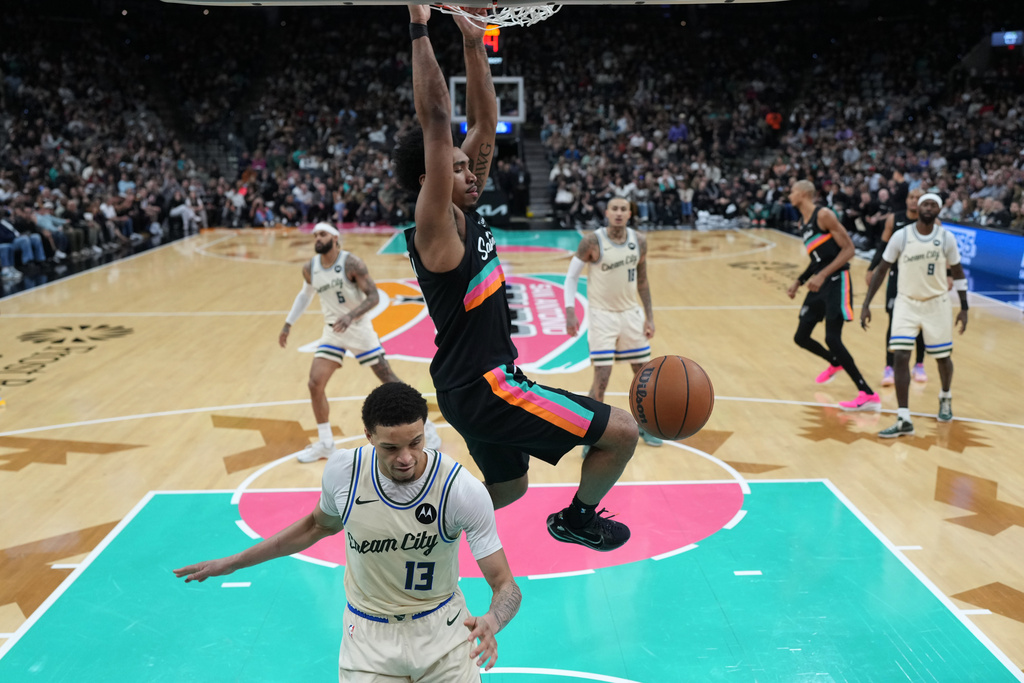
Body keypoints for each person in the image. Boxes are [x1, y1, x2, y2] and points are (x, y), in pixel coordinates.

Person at [393, 6, 638, 552]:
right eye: (454, 168)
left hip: (466, 386)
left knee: (507, 490)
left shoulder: (466, 208)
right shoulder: (436, 226)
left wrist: (474, 43)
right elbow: (437, 120)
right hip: (488, 386)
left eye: (466, 164)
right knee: (622, 432)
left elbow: (482, 121)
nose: (470, 170)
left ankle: (417, 535)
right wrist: (418, 24)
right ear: (428, 179)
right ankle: (578, 518)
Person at [174, 382, 520, 681]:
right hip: (368, 635)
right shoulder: (345, 472)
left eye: (415, 442)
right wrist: (234, 562)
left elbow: (505, 584)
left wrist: (493, 619)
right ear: (368, 436)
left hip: (443, 632)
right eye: (391, 447)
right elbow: (314, 527)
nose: (406, 458)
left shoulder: (460, 489)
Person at [280, 222, 440, 462]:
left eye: (322, 234)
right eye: (315, 235)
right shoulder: (310, 268)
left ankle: (426, 427)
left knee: (389, 380)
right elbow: (305, 295)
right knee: (315, 383)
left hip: (359, 329)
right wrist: (288, 323)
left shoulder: (351, 263)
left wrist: (351, 315)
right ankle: (325, 443)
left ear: (335, 238)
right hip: (333, 331)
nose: (317, 238)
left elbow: (374, 296)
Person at [859, 194, 968, 438]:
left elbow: (959, 272)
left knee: (942, 358)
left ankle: (945, 397)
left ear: (939, 209)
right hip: (906, 302)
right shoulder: (902, 235)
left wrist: (964, 307)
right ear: (918, 208)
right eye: (925, 204)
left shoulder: (946, 238)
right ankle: (903, 417)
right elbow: (882, 269)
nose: (929, 208)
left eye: (933, 205)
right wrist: (866, 303)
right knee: (900, 356)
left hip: (936, 304)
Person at [563, 197, 661, 450]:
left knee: (643, 375)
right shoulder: (592, 241)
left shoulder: (639, 241)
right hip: (602, 316)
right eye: (614, 209)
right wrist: (570, 311)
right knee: (602, 377)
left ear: (630, 213)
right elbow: (572, 277)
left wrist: (649, 316)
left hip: (631, 314)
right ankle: (592, 435)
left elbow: (643, 281)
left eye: (623, 209)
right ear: (606, 212)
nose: (618, 213)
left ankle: (646, 425)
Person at [785, 180, 879, 411]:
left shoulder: (823, 215)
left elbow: (849, 249)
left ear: (805, 193)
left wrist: (823, 275)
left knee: (832, 338)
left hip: (837, 280)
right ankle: (835, 362)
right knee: (801, 336)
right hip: (820, 283)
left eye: (793, 191)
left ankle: (867, 394)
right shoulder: (802, 223)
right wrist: (799, 281)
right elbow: (817, 259)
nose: (790, 194)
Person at [866, 187, 927, 386]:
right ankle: (889, 367)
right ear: (907, 199)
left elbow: (942, 249)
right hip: (897, 276)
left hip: (920, 279)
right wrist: (872, 268)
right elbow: (883, 247)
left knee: (920, 324)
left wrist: (948, 275)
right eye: (911, 197)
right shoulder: (894, 219)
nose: (914, 201)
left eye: (918, 198)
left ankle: (919, 364)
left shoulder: (932, 223)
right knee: (894, 322)